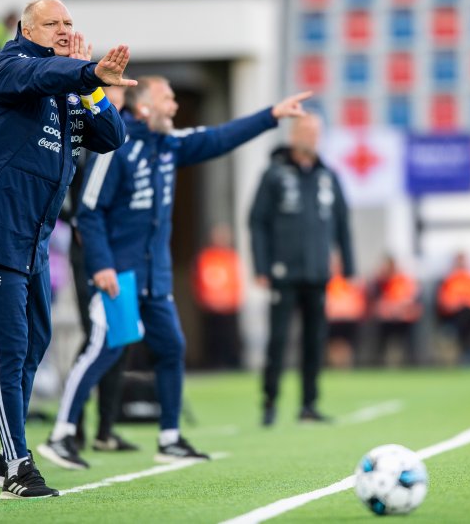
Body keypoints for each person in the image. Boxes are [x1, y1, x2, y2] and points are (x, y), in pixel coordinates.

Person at [38, 75, 310, 469]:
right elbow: (87, 211)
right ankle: (61, 434)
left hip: (155, 278)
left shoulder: (168, 145)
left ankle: (169, 438)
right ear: (144, 106)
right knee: (106, 348)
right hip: (121, 274)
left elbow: (219, 138)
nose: (175, 106)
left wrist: (271, 116)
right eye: (168, 99)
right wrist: (102, 265)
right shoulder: (114, 143)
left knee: (170, 348)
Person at [0, 0, 134, 499]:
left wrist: (92, 85)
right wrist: (84, 69)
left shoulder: (68, 85)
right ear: (29, 29)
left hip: (31, 240)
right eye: (53, 23)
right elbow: (43, 76)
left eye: (69, 22)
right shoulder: (12, 64)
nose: (63, 29)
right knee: (8, 351)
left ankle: (8, 450)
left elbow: (111, 135)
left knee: (35, 343)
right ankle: (19, 468)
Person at [249, 114, 354, 426]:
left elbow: (342, 223)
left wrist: (348, 266)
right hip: (284, 272)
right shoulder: (275, 174)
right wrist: (261, 265)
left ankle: (309, 404)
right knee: (279, 339)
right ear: (294, 134)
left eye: (316, 132)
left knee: (314, 339)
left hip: (317, 273)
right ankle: (270, 402)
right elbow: (257, 221)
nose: (312, 137)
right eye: (306, 131)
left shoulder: (328, 176)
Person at [61, 85, 139, 452]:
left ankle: (105, 428)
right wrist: (75, 221)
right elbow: (58, 182)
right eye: (114, 87)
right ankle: (70, 423)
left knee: (119, 334)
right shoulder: (80, 129)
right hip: (90, 249)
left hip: (118, 249)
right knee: (98, 332)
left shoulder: (122, 131)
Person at [192, 223, 244, 369]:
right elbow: (200, 280)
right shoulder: (206, 257)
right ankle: (214, 364)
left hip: (229, 305)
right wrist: (206, 300)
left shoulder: (231, 257)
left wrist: (234, 300)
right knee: (213, 339)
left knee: (230, 338)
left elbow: (236, 280)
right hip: (211, 305)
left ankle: (233, 363)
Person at [436, 252, 470, 365]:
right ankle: (469, 353)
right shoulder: (448, 280)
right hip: (454, 315)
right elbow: (444, 302)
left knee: (467, 315)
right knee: (464, 315)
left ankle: (459, 341)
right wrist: (458, 304)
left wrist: (469, 303)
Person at [369, 255, 422, 367]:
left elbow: (414, 302)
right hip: (386, 319)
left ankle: (413, 364)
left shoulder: (404, 281)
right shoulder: (379, 283)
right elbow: (376, 304)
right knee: (381, 341)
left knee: (411, 341)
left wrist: (400, 309)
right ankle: (378, 365)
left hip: (405, 318)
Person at [324, 255, 366, 368]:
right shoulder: (329, 282)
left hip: (348, 319)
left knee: (346, 344)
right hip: (333, 319)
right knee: (333, 344)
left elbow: (358, 301)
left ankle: (345, 365)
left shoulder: (352, 281)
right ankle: (334, 365)